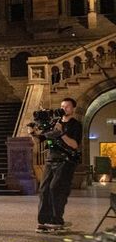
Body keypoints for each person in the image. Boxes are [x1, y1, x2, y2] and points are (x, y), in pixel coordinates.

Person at [28, 97, 82, 232]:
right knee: (44, 190)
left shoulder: (76, 124)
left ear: (73, 109)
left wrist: (61, 133)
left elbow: (75, 145)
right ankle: (43, 221)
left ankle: (57, 220)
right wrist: (32, 133)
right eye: (62, 106)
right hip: (51, 159)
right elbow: (40, 141)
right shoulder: (54, 123)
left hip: (66, 160)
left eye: (67, 106)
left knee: (56, 188)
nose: (64, 108)